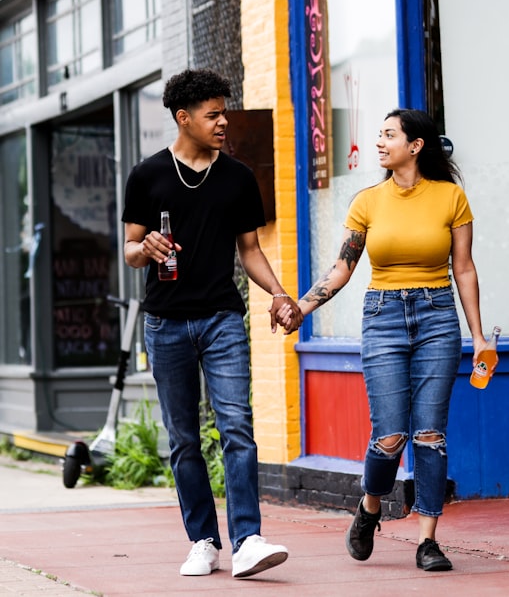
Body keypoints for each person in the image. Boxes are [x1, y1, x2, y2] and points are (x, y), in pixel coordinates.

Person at [281, 108, 487, 572]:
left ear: (415, 146)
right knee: (390, 436)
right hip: (383, 316)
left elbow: (465, 269)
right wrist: (301, 307)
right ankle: (370, 506)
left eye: (389, 135)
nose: (379, 142)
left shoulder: (451, 198)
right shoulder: (367, 201)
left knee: (430, 435)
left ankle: (428, 540)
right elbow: (343, 267)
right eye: (378, 134)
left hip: (437, 316)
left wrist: (478, 337)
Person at [121, 68, 303, 579]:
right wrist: (145, 248)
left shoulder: (239, 177)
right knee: (183, 439)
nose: (223, 121)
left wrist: (280, 293)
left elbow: (251, 250)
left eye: (224, 111)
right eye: (213, 114)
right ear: (184, 118)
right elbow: (130, 250)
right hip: (166, 323)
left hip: (222, 318)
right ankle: (203, 539)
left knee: (237, 428)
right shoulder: (148, 175)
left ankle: (247, 540)